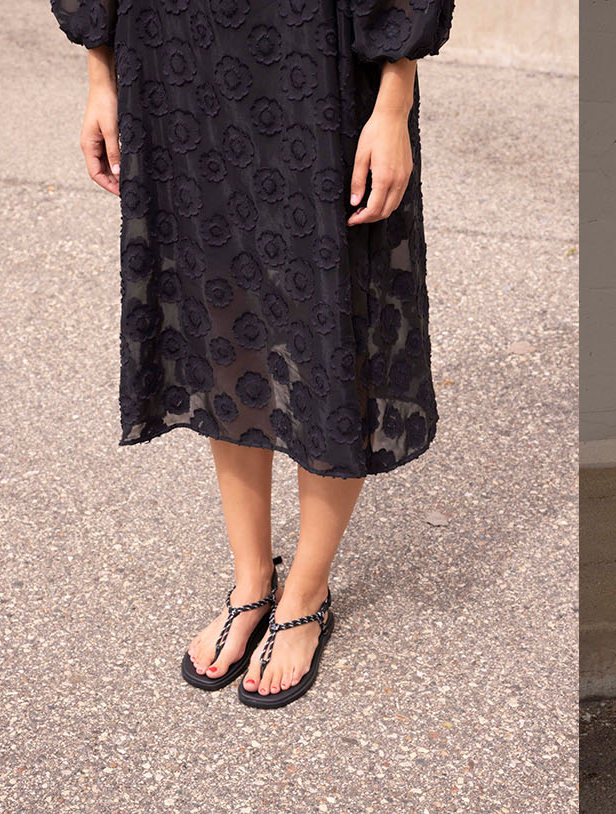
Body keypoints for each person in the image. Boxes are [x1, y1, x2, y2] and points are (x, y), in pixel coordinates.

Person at [50, 0, 452, 708]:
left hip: (315, 49)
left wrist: (394, 102)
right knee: (219, 308)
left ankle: (305, 593)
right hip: (175, 53)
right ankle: (251, 581)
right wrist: (99, 76)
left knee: (331, 312)